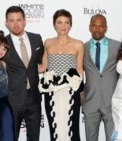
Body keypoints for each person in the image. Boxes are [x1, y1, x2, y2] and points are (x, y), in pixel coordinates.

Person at [0, 6, 44, 141]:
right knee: (10, 137)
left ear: (25, 21)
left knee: (34, 138)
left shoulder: (36, 39)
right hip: (11, 100)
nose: (16, 24)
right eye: (11, 20)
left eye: (19, 20)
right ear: (6, 23)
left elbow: (42, 63)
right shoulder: (2, 44)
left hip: (34, 100)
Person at [38, 9, 84, 141]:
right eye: (59, 22)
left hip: (71, 91)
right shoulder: (47, 43)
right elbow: (43, 67)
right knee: (55, 127)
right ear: (54, 25)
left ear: (70, 25)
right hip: (52, 92)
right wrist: (24, 68)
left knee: (72, 128)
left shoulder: (78, 44)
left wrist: (81, 93)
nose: (63, 26)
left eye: (66, 23)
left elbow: (80, 70)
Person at [82, 14, 121, 141]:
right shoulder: (82, 48)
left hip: (112, 102)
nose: (97, 29)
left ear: (106, 28)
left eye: (101, 26)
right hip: (90, 101)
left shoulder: (118, 46)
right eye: (94, 25)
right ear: (89, 27)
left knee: (113, 139)